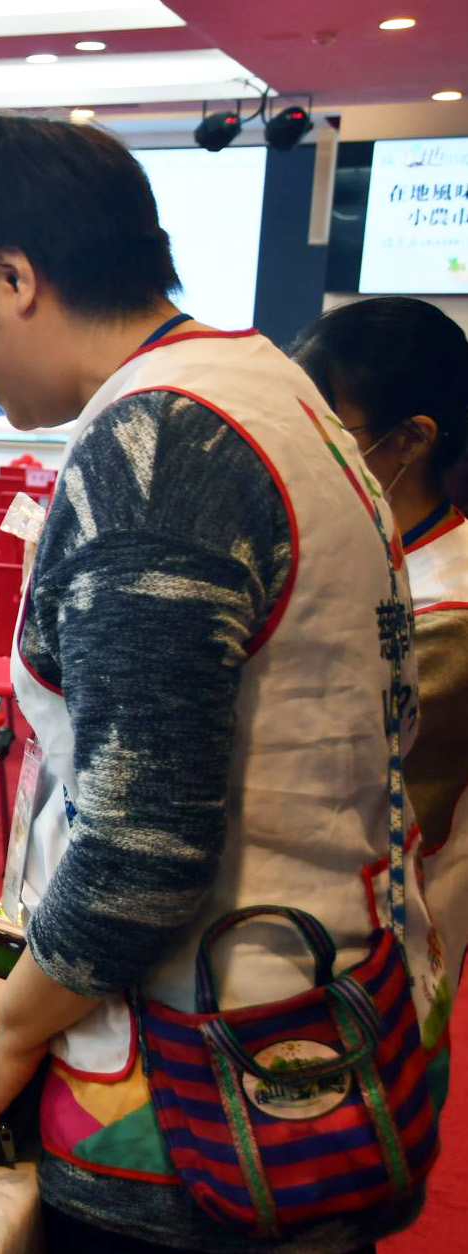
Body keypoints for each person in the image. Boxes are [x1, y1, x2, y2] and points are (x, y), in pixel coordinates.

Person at [0, 116, 434, 1254]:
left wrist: (16, 1029)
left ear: (12, 276)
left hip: (199, 1098)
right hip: (306, 1019)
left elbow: (141, 841)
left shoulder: (159, 446)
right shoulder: (267, 386)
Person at [295, 297, 468, 985]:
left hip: (385, 942)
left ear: (411, 439)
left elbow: (333, 784)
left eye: (327, 427)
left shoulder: (451, 612)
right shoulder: (356, 534)